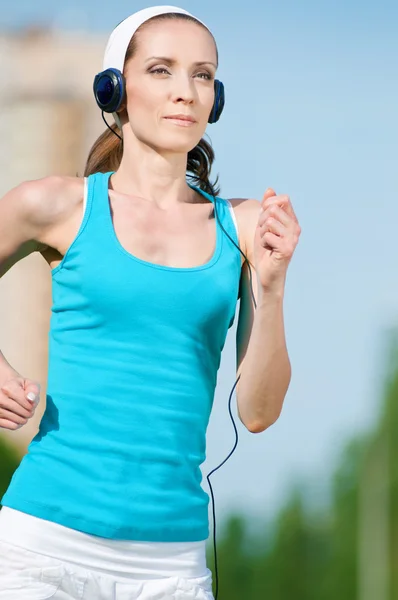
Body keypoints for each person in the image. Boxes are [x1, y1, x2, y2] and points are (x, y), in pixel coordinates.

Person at [0, 5, 301, 599]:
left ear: (215, 98)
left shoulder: (243, 228)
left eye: (202, 74)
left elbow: (260, 413)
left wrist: (272, 285)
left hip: (172, 568)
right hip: (41, 551)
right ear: (115, 88)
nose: (185, 92)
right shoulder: (58, 206)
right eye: (161, 70)